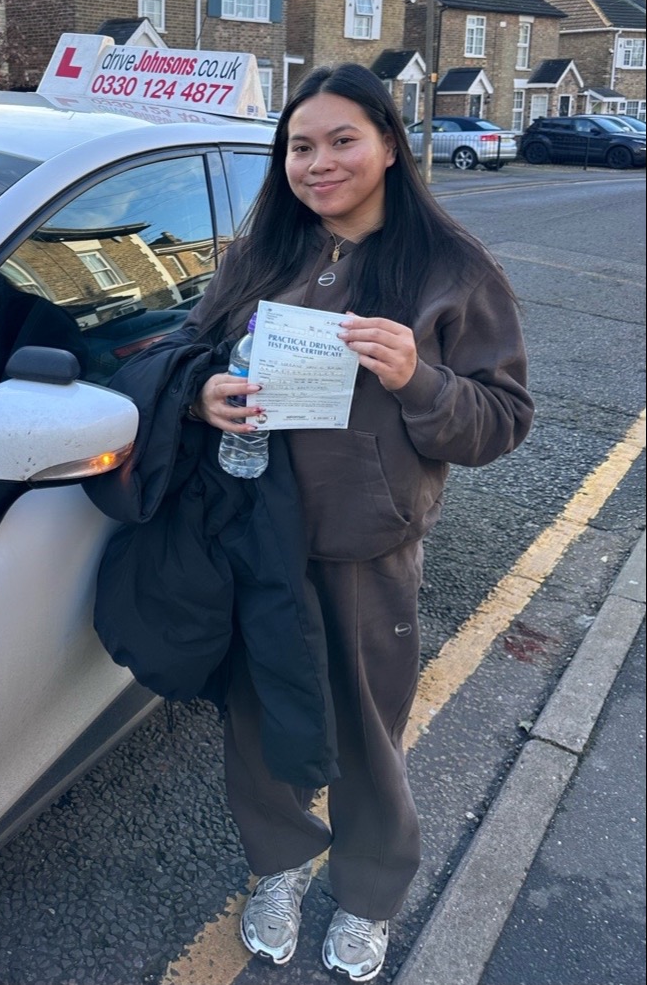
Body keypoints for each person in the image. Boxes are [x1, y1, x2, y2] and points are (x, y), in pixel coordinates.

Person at [173, 63, 534, 980]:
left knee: (367, 733)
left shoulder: (451, 270)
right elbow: (193, 353)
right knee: (260, 721)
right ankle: (280, 865)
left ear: (387, 146)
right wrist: (201, 393)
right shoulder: (263, 254)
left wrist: (418, 377)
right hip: (254, 533)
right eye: (300, 146)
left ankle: (369, 894)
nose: (318, 162)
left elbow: (501, 422)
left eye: (342, 141)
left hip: (367, 547)